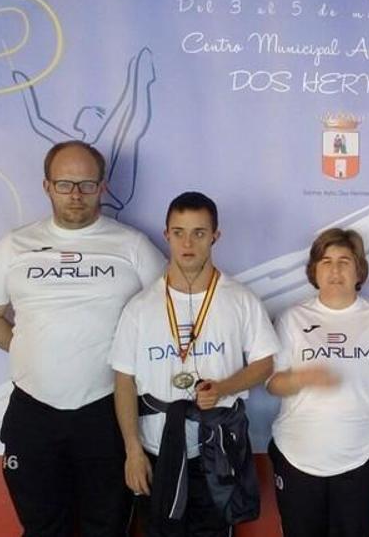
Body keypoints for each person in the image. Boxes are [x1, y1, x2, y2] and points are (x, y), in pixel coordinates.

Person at [0, 140, 166, 536]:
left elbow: (170, 314)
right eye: (64, 184)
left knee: (108, 527)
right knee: (42, 528)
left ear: (102, 187)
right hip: (34, 411)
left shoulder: (132, 246)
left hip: (107, 410)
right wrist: (34, 351)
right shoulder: (14, 246)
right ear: (47, 187)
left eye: (86, 184)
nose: (75, 195)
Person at [110, 191, 279, 536]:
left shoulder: (240, 299)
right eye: (179, 232)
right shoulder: (140, 307)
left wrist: (225, 388)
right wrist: (132, 451)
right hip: (157, 449)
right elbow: (124, 381)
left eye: (199, 233)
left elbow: (265, 363)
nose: (188, 243)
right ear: (166, 235)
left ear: (215, 236)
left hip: (216, 451)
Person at [267, 228, 369, 536]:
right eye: (326, 261)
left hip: (362, 455)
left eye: (344, 260)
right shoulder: (292, 318)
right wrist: (301, 378)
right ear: (314, 270)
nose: (335, 269)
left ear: (359, 269)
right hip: (297, 454)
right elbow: (272, 383)